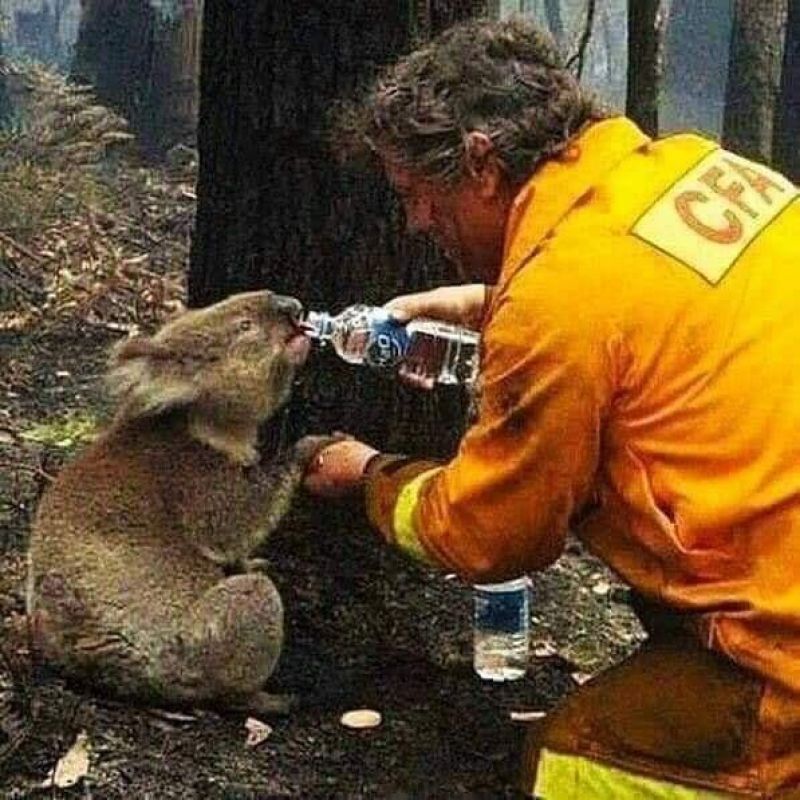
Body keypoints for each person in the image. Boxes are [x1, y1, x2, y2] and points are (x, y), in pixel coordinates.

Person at [304, 16, 800, 799]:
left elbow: (492, 532)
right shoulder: (692, 169)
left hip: (783, 646)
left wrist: (369, 474)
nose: (415, 224)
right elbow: (647, 305)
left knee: (571, 767)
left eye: (418, 197)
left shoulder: (558, 306)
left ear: (481, 165)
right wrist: (495, 301)